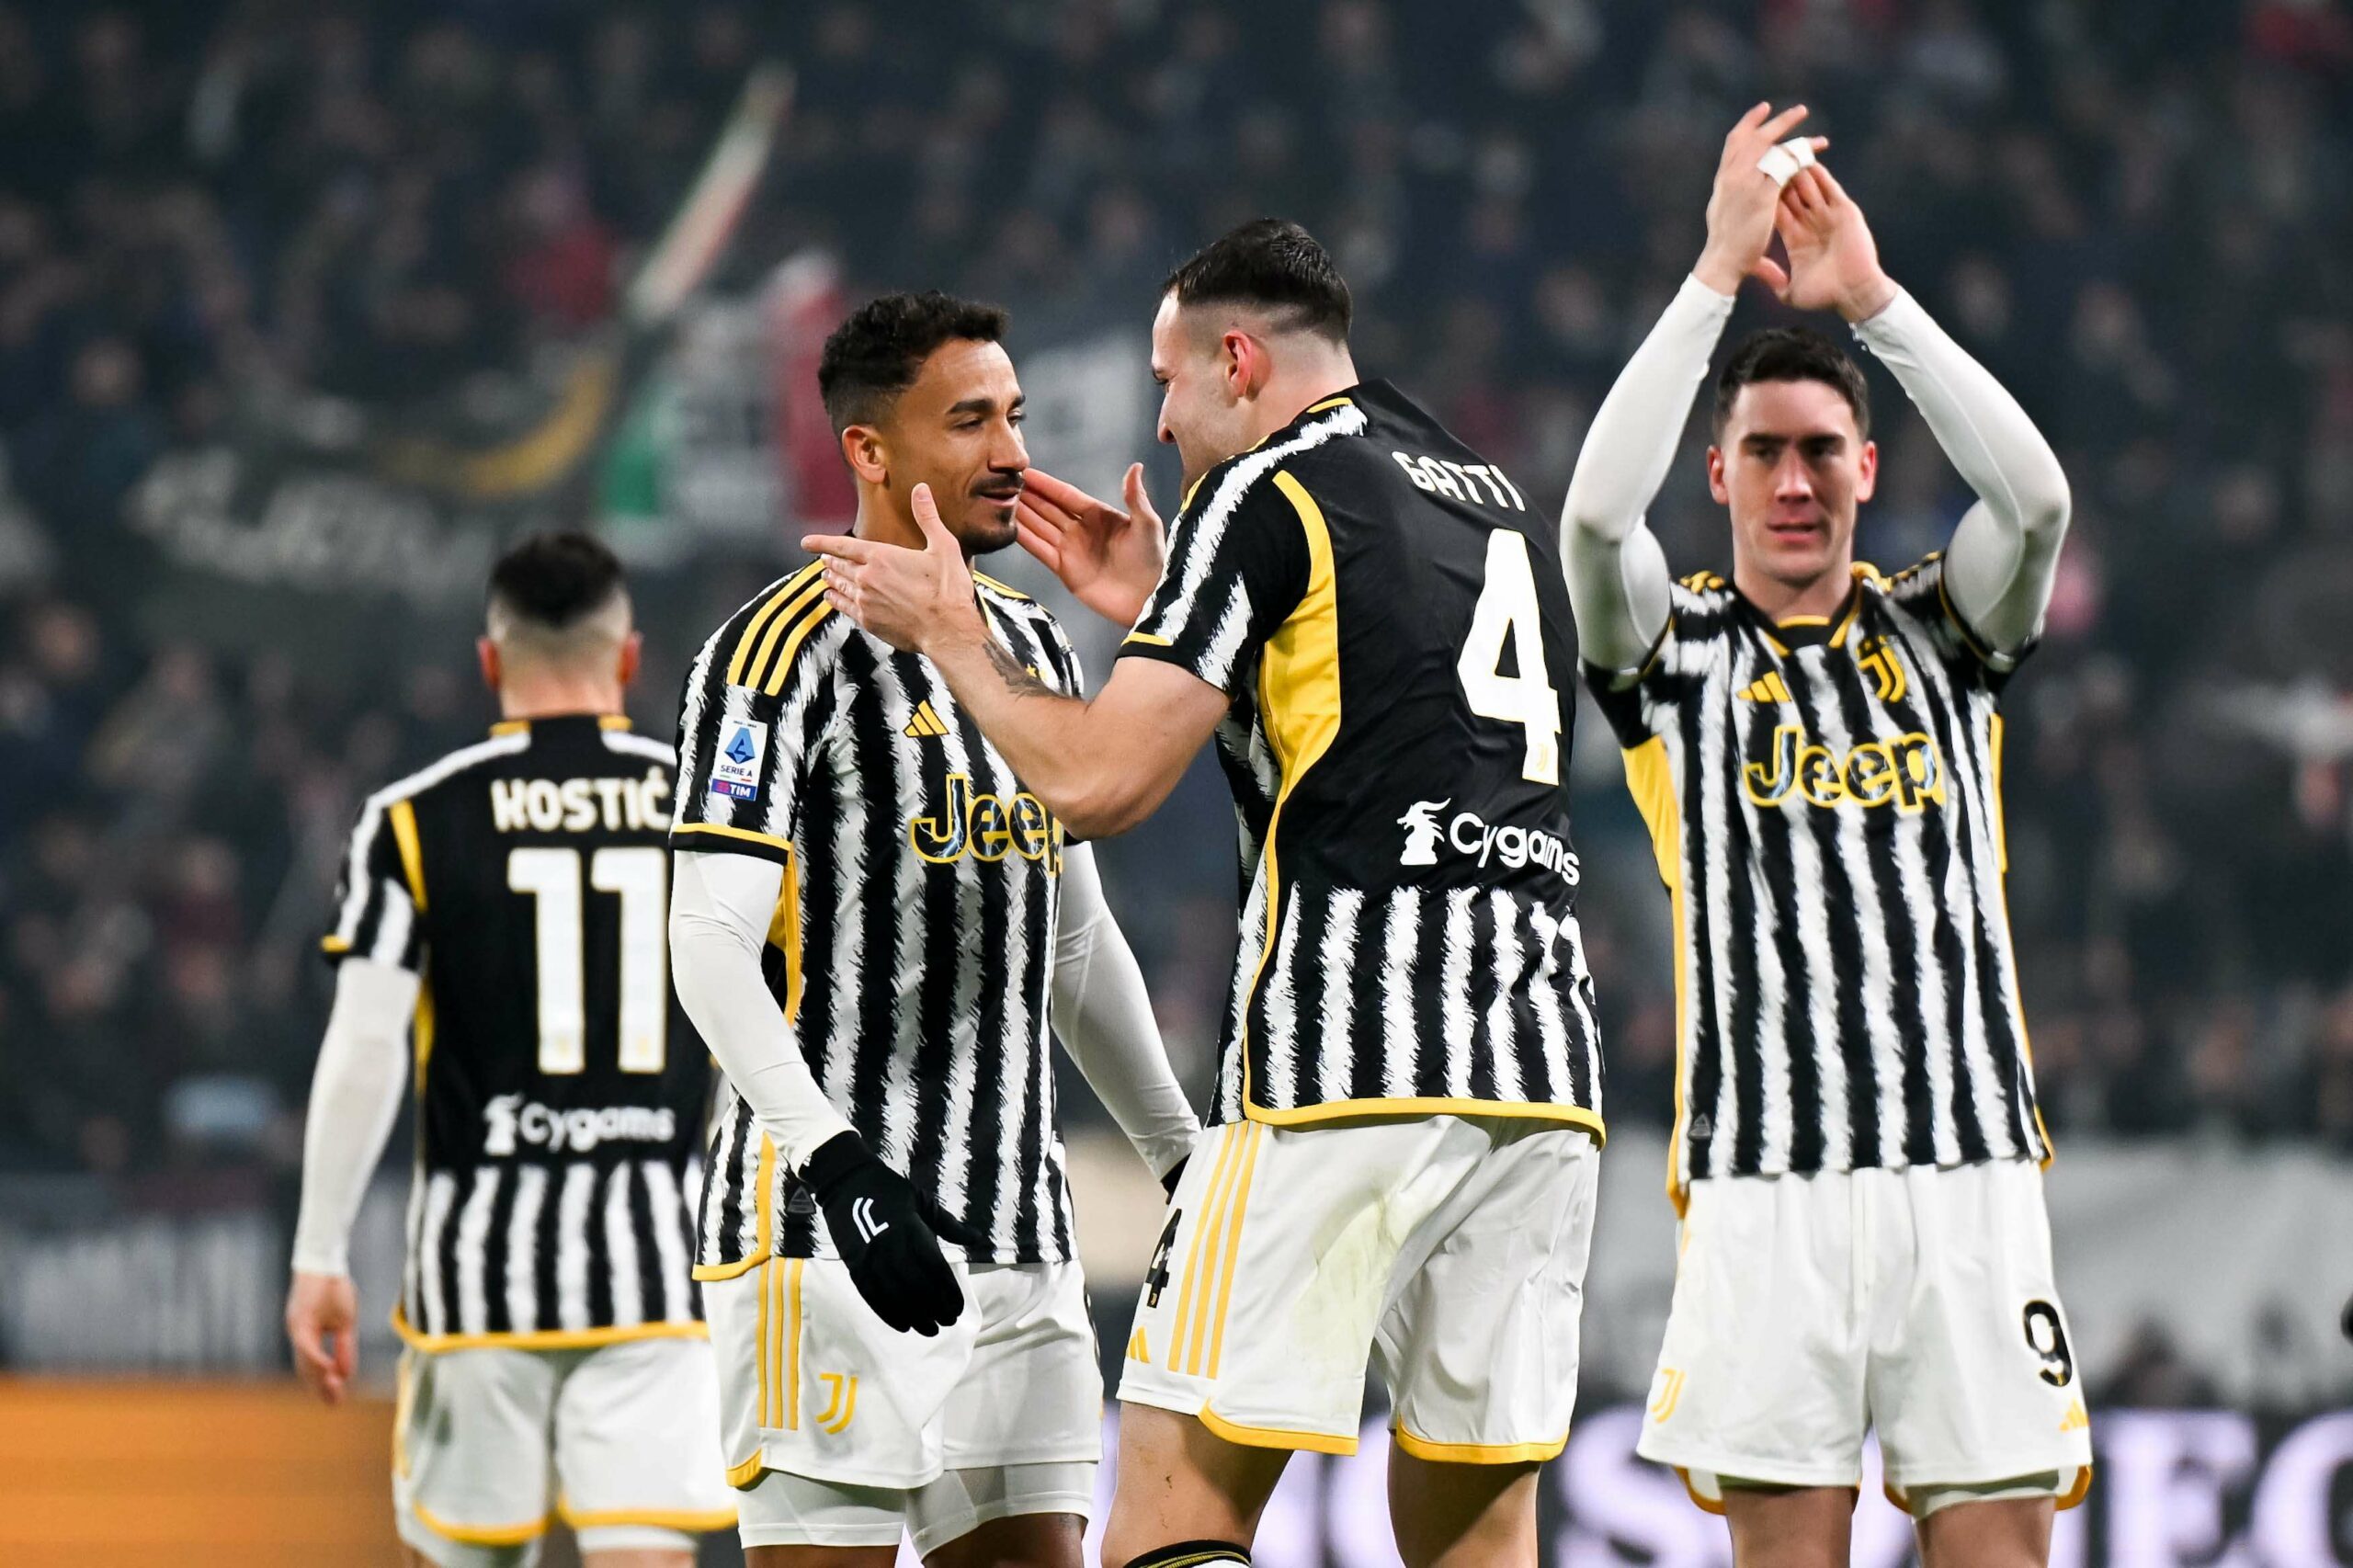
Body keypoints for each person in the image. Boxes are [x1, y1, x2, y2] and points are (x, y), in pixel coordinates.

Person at [805, 221, 1604, 1568]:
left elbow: (1099, 783)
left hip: (1342, 1072)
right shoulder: (1492, 497)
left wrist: (953, 634)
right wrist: (1170, 602)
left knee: (1172, 1513)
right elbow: (1370, 726)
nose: (1164, 422)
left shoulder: (1267, 488)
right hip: (1539, 1081)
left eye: (1169, 381)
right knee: (1477, 1532)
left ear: (1239, 360)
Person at [1562, 105, 2092, 1566]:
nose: (1793, 483)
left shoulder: (1946, 630)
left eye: (1820, 453)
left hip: (1966, 1175)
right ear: (1718, 474)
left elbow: (2038, 499)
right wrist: (1711, 278)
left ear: (1865, 466)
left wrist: (1873, 302)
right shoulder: (1674, 658)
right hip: (1764, 1185)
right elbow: (1593, 522)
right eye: (1764, 455)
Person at [665, 290, 1199, 1568]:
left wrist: (1183, 1159)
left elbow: (1073, 943)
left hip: (1021, 1238)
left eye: (1014, 414)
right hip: (825, 1238)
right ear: (869, 450)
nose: (1013, 450)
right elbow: (706, 942)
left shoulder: (1028, 644)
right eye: (970, 422)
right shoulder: (770, 660)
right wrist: (837, 1168)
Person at [287, 532, 735, 1568]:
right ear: (629, 659)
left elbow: (365, 1046)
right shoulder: (708, 813)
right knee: (643, 1554)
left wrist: (319, 1255)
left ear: (490, 662)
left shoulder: (411, 821)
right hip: (658, 1265)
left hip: (474, 1274)